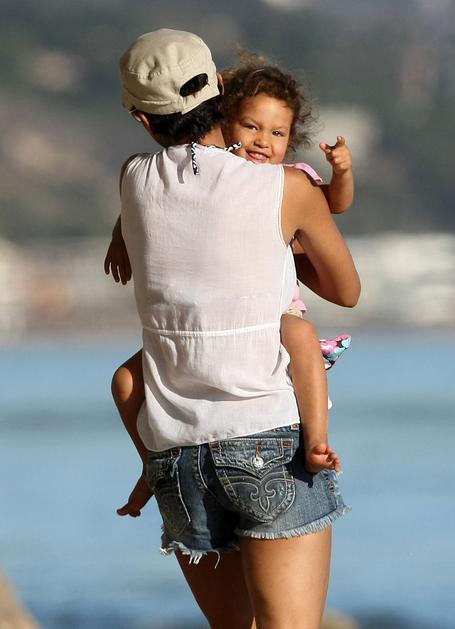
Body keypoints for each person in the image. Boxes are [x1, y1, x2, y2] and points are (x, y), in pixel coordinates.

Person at [110, 29, 360, 629]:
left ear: (142, 119)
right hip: (265, 435)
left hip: (175, 453)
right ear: (220, 87)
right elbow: (346, 291)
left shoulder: (132, 179)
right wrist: (284, 252)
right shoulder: (286, 187)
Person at [105, 52, 354, 479]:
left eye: (277, 133)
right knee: (123, 381)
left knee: (300, 334)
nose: (262, 141)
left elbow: (335, 202)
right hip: (259, 422)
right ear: (223, 114)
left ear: (141, 118)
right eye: (251, 127)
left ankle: (317, 440)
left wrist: (343, 174)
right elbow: (348, 291)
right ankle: (149, 470)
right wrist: (120, 235)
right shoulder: (276, 186)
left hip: (266, 326)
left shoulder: (285, 177)